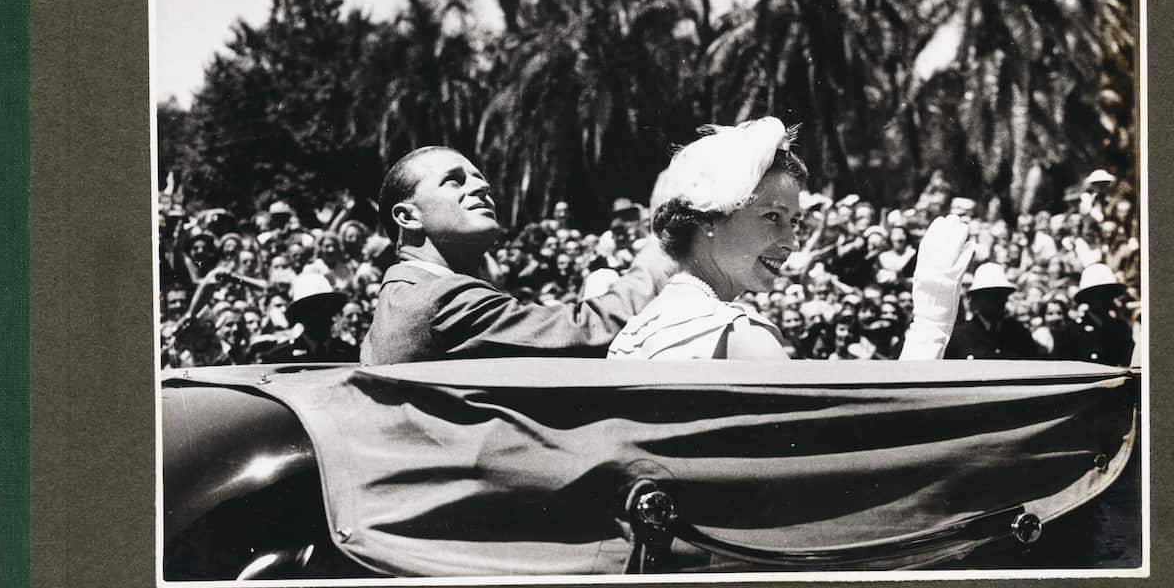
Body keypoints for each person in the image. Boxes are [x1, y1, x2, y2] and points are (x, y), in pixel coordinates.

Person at [608, 118, 973, 361]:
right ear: (710, 220)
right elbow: (856, 462)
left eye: (794, 222)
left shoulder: (634, 333)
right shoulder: (743, 339)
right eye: (772, 218)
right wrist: (931, 326)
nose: (792, 242)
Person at [360, 146, 672, 364]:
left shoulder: (402, 297)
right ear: (408, 217)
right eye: (454, 180)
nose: (482, 186)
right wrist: (664, 249)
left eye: (479, 178)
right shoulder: (440, 300)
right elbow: (585, 330)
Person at [944, 262, 1041, 361]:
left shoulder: (1019, 333)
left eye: (1001, 294)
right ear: (976, 299)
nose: (997, 300)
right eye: (989, 295)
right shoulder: (959, 337)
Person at [1053, 263, 1135, 366]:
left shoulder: (1121, 328)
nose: (1105, 299)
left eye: (1108, 293)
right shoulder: (1071, 332)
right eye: (1099, 294)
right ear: (1087, 297)